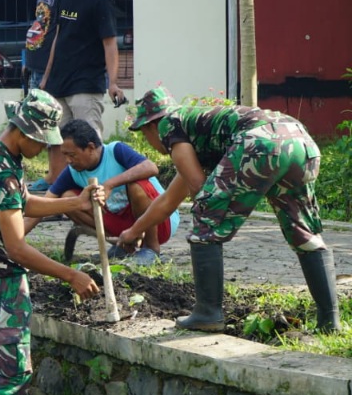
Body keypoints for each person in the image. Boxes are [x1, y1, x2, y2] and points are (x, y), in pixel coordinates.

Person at [122, 87, 341, 333]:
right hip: (300, 141)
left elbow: (196, 187)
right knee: (304, 233)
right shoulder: (201, 129)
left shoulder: (170, 124)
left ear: (152, 125)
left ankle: (208, 313)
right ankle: (329, 322)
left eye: (143, 134)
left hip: (260, 143)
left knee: (205, 217)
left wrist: (209, 217)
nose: (149, 142)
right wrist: (133, 231)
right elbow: (169, 200)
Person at [0, 89, 101, 395]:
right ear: (24, 133)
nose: (45, 150)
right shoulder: (2, 173)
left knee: (2, 372)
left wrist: (73, 203)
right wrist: (70, 274)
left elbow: (23, 203)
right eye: (42, 143)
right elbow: (17, 248)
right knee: (11, 377)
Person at [35, 0, 125, 193]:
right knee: (58, 142)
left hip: (86, 85)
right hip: (58, 83)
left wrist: (114, 82)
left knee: (89, 145)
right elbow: (58, 40)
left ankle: (101, 194)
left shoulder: (100, 0)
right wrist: (46, 79)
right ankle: (63, 195)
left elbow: (110, 44)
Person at [23, 119, 179, 265]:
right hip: (123, 226)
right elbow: (44, 206)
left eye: (72, 155)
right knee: (67, 198)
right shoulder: (72, 171)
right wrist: (14, 238)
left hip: (159, 221)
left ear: (90, 147)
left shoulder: (115, 151)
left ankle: (151, 248)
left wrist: (110, 184)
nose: (68, 161)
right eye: (65, 155)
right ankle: (123, 246)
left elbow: (151, 168)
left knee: (136, 185)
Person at [23, 0, 67, 94]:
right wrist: (27, 61)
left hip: (51, 73)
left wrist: (47, 75)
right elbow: (40, 24)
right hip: (35, 69)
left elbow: (60, 35)